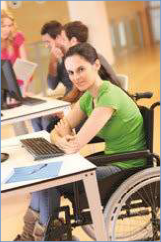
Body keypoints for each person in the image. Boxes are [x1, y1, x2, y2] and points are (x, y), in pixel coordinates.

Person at [15, 43, 146, 241]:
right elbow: (56, 131)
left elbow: (75, 145)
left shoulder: (108, 97)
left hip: (126, 167)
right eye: (71, 72)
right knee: (44, 178)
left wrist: (63, 138)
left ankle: (49, 234)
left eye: (81, 69)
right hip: (111, 161)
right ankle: (49, 233)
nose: (76, 77)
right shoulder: (88, 98)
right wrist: (61, 138)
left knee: (51, 180)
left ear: (96, 65)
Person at [1, 9, 31, 135]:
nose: (7, 29)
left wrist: (24, 88)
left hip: (20, 82)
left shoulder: (17, 37)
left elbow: (25, 63)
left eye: (9, 25)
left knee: (23, 116)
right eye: (3, 25)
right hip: (5, 86)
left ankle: (33, 143)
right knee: (14, 119)